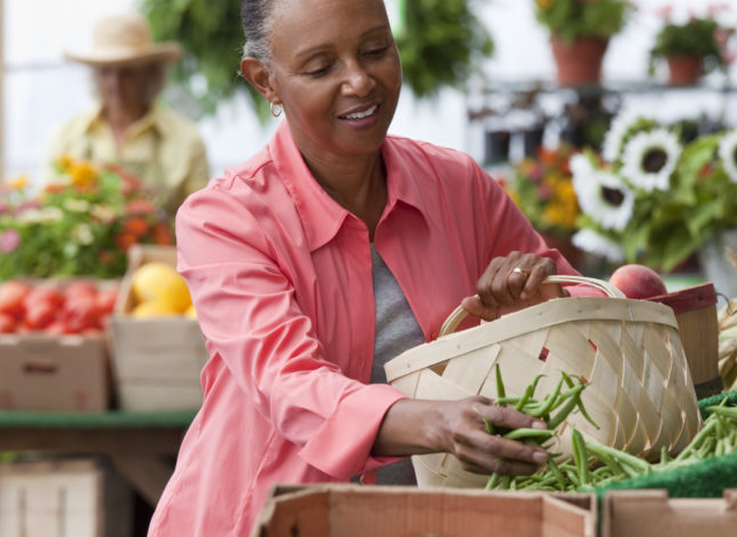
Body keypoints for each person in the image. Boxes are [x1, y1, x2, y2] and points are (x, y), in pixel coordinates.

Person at [148, 1, 597, 534]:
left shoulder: (458, 187)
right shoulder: (225, 220)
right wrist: (435, 421)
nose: (360, 81)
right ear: (265, 80)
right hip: (263, 519)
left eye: (376, 49)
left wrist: (536, 310)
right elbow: (289, 384)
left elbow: (587, 323)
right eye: (321, 67)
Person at [43, 12, 210, 217]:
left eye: (126, 72)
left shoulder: (186, 140)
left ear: (150, 72)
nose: (115, 84)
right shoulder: (67, 136)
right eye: (106, 72)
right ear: (94, 75)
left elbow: (203, 220)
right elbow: (46, 210)